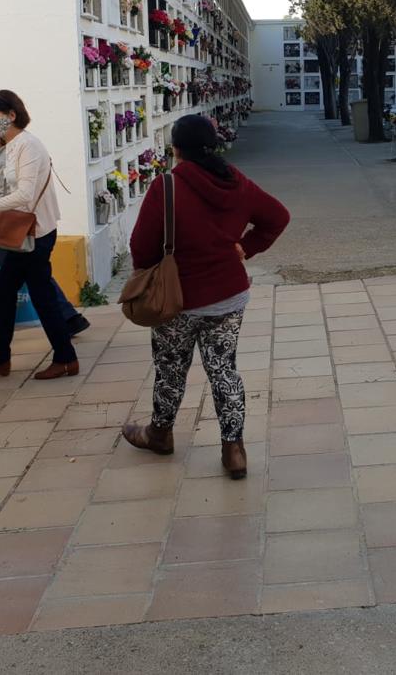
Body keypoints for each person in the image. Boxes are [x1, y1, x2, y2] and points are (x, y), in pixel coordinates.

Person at [121, 114, 289, 479]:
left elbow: (141, 246)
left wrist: (152, 271)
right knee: (223, 369)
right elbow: (278, 216)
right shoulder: (236, 183)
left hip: (176, 301)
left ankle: (161, 434)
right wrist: (245, 247)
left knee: (170, 369)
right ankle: (234, 450)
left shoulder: (166, 187)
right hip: (227, 298)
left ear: (176, 149)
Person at [0, 90, 78, 381]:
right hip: (23, 234)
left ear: (11, 115)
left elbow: (24, 194)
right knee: (2, 294)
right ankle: (0, 356)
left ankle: (65, 359)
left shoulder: (28, 145)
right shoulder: (11, 146)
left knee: (41, 296)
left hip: (35, 235)